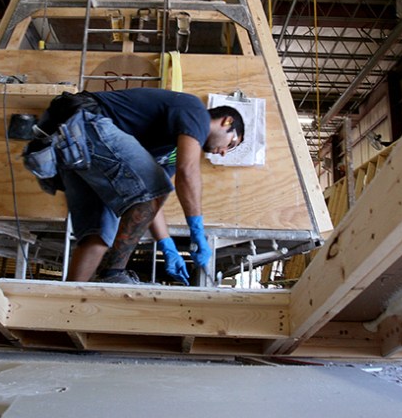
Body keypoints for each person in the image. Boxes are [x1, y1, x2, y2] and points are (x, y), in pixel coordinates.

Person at [27, 88, 244, 284]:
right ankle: (112, 275)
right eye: (231, 143)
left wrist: (167, 245)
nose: (224, 152)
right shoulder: (196, 111)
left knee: (99, 236)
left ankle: (68, 302)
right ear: (226, 122)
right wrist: (197, 229)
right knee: (149, 191)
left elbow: (152, 199)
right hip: (84, 123)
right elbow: (186, 172)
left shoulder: (168, 153)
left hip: (77, 148)